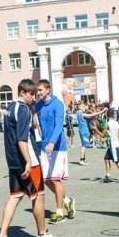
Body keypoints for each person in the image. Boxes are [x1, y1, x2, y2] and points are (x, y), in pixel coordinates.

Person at [0, 79, 63, 237]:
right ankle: (42, 234)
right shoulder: (23, 109)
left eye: (35, 93)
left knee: (15, 196)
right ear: (22, 93)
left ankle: (2, 235)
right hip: (28, 160)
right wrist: (27, 162)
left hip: (12, 161)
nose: (34, 97)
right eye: (31, 94)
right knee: (39, 196)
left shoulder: (9, 108)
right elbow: (21, 139)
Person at [35, 79, 75, 225]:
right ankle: (66, 200)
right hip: (44, 146)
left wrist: (52, 142)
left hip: (57, 146)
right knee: (46, 179)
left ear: (48, 89)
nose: (38, 93)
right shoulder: (38, 105)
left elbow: (59, 125)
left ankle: (59, 213)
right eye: (37, 91)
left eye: (40, 90)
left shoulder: (58, 105)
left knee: (55, 179)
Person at [101, 109, 119, 183]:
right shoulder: (116, 123)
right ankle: (107, 175)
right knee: (106, 159)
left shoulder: (107, 124)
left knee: (117, 161)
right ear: (113, 115)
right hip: (113, 143)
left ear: (107, 115)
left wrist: (95, 129)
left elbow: (102, 135)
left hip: (113, 144)